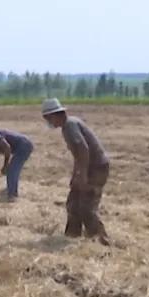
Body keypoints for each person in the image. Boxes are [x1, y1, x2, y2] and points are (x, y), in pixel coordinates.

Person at [41, 98, 110, 242]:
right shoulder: (69, 125)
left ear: (55, 115)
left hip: (96, 168)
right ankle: (72, 237)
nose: (49, 122)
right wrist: (75, 176)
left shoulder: (70, 126)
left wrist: (82, 176)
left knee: (86, 207)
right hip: (89, 167)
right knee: (73, 204)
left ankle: (101, 240)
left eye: (49, 119)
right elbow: (78, 156)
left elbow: (83, 150)